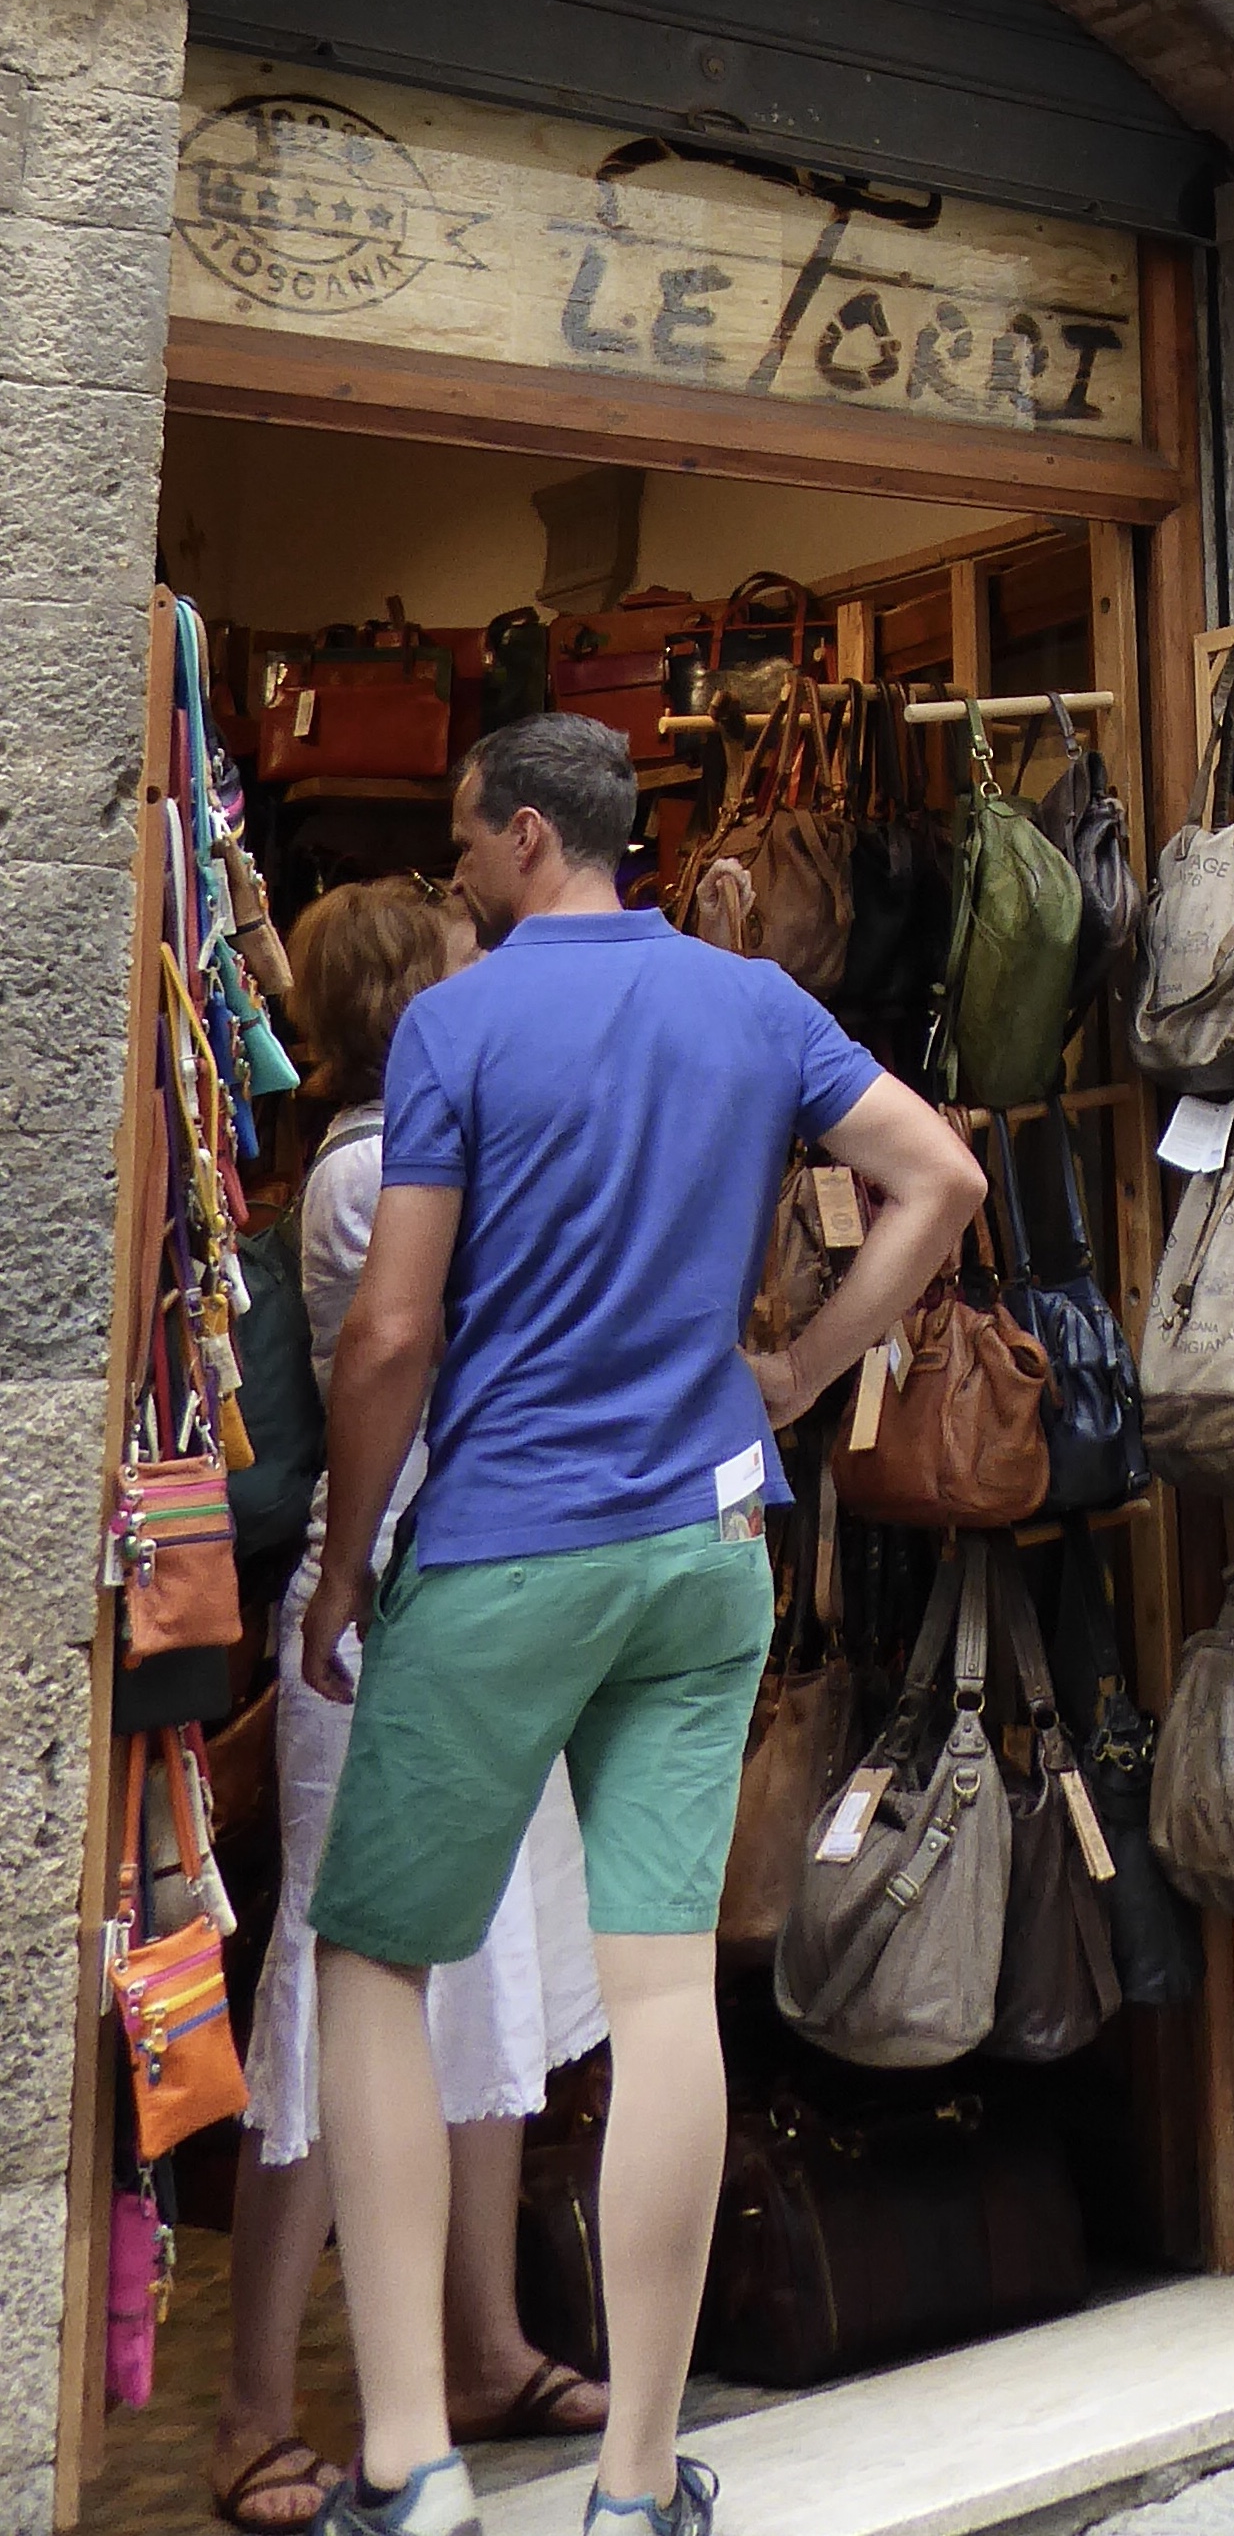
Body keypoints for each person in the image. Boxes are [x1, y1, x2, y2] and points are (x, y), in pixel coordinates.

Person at [300, 717, 989, 2536]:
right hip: (703, 1544)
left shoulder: (458, 1026)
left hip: (509, 1548)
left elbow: (389, 1335)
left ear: (530, 836)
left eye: (465, 842)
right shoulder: (753, 1004)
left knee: (371, 1965)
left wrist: (344, 1563)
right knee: (664, 1992)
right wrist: (796, 1375)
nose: (456, 873)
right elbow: (944, 1178)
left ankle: (409, 2464)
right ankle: (632, 2486)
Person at [211, 877, 607, 2534]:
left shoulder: (420, 1155)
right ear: (412, 1010)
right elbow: (454, 1349)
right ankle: (251, 2413)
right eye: (461, 969)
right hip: (379, 1616)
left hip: (472, 1604)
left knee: (486, 1972)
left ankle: (485, 2346)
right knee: (334, 1991)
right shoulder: (376, 1173)